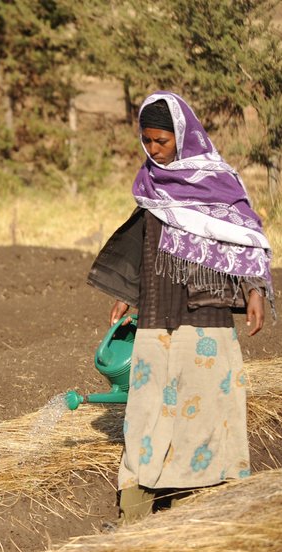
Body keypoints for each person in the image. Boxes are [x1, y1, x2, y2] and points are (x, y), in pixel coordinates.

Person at [88, 92, 275, 524]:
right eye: (147, 141)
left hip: (203, 316)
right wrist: (129, 291)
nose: (153, 150)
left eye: (161, 141)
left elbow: (244, 238)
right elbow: (143, 243)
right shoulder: (150, 184)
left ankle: (203, 499)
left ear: (183, 137)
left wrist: (254, 290)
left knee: (203, 407)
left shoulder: (219, 183)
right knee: (147, 406)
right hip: (156, 311)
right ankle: (138, 502)